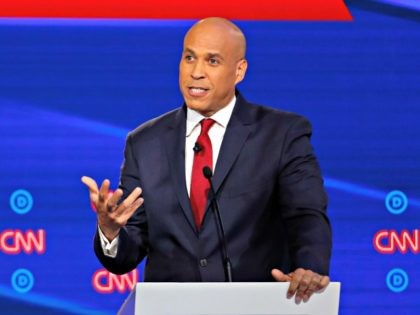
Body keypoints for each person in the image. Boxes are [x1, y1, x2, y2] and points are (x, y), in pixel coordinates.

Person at [82, 17, 332, 304]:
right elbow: (128, 251)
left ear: (239, 71)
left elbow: (306, 215)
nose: (196, 72)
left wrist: (309, 268)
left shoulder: (282, 134)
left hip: (255, 307)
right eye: (189, 57)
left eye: (212, 61)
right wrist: (111, 232)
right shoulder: (144, 143)